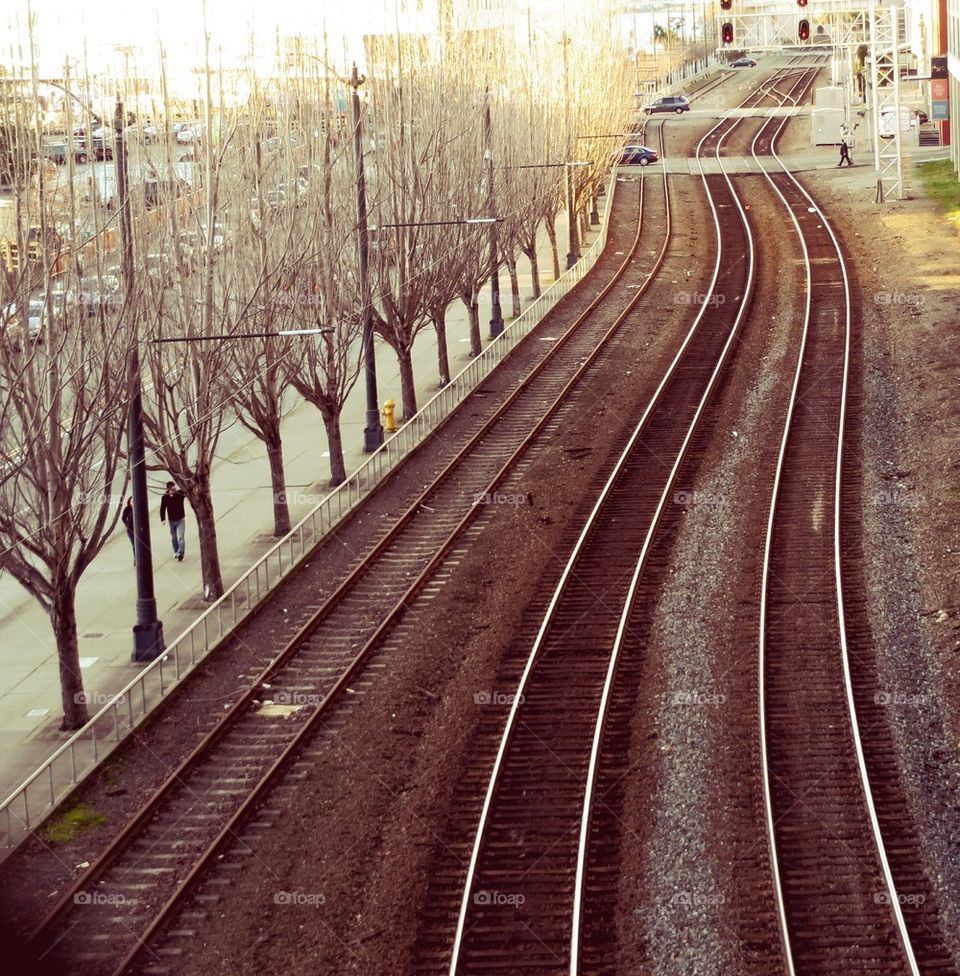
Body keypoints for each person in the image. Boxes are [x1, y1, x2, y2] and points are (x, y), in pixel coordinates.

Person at [159, 481, 187, 561]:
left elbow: (185, 491)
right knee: (174, 537)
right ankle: (176, 551)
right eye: (171, 489)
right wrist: (163, 519)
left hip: (180, 519)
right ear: (168, 489)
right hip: (172, 520)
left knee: (181, 537)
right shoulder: (165, 497)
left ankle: (181, 553)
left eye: (174, 488)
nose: (173, 490)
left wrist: (179, 488)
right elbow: (162, 509)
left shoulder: (179, 494)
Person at [121, 497, 135, 562]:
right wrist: (127, 524)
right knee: (134, 545)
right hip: (130, 529)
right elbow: (123, 518)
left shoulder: (138, 508)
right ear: (129, 502)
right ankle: (136, 559)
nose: (133, 503)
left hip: (138, 529)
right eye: (131, 501)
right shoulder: (127, 509)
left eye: (134, 501)